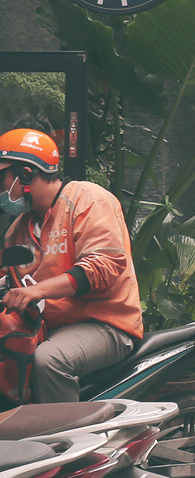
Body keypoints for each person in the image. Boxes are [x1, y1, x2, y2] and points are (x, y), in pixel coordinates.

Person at [0, 129, 142, 403]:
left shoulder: (88, 199)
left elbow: (104, 265)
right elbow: (6, 274)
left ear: (26, 174)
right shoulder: (18, 228)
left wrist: (37, 291)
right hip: (47, 327)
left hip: (105, 324)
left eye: (1, 177)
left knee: (49, 360)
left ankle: (69, 442)